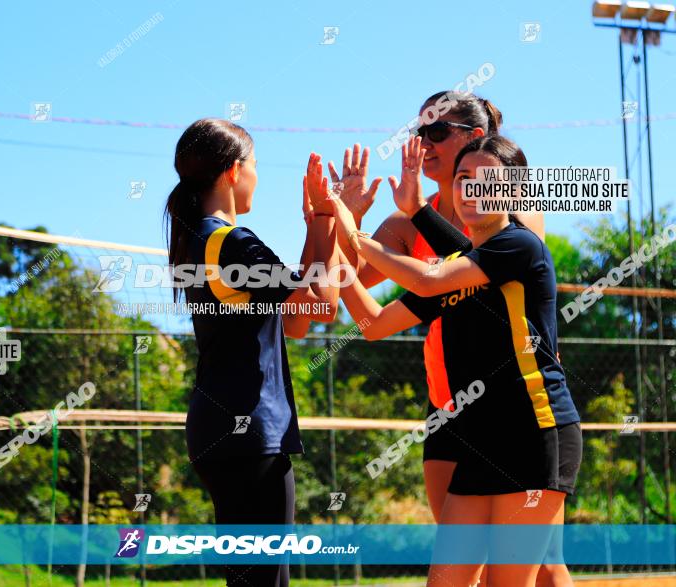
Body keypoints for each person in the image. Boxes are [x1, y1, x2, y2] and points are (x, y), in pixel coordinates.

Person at [330, 135, 581, 586]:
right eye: (463, 179)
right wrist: (336, 235)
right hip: (480, 440)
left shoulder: (519, 246)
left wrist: (356, 232)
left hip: (536, 432)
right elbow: (372, 323)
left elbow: (429, 279)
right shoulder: (461, 268)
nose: (470, 190)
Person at [330, 93, 545, 530]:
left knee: (538, 566)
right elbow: (338, 289)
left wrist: (362, 232)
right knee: (456, 561)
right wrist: (339, 219)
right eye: (419, 132)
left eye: (438, 132)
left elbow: (462, 269)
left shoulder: (516, 216)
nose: (423, 142)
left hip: (517, 406)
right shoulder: (406, 223)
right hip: (448, 403)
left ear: (476, 139)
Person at [163, 118, 340, 586]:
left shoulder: (203, 239)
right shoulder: (231, 242)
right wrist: (326, 217)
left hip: (223, 431)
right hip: (250, 432)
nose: (259, 176)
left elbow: (298, 320)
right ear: (232, 171)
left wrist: (319, 224)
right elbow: (323, 303)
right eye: (256, 165)